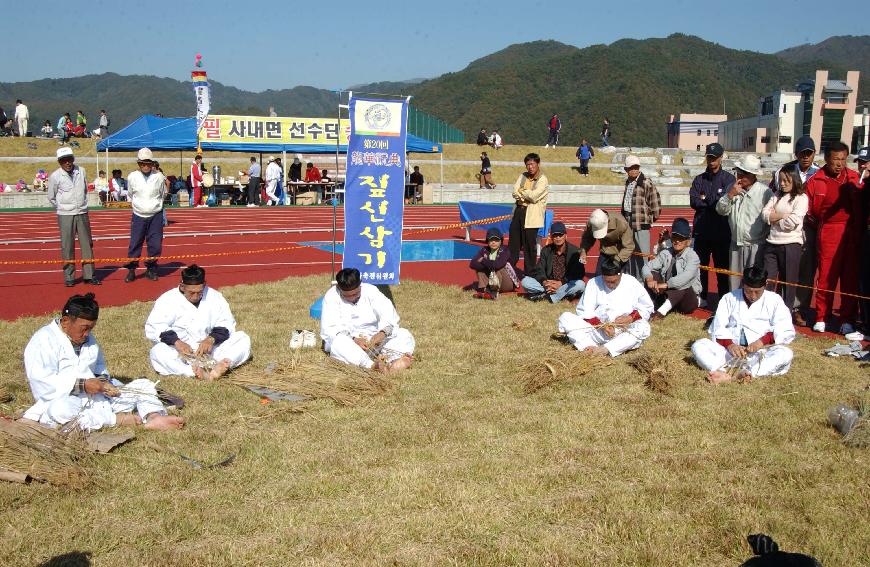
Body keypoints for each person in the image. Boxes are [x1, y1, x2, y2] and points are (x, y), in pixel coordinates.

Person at [22, 293, 184, 432]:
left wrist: (103, 383)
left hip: (98, 398)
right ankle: (115, 419)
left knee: (145, 385)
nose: (87, 334)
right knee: (60, 411)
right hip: (64, 400)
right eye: (84, 328)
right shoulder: (43, 340)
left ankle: (153, 417)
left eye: (91, 329)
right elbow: (41, 382)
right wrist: (83, 385)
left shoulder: (89, 339)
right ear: (65, 321)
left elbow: (99, 368)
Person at [145, 265, 252, 380]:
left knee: (242, 338)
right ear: (182, 286)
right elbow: (155, 327)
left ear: (204, 284)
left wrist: (211, 339)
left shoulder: (215, 296)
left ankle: (222, 365)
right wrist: (177, 342)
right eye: (191, 293)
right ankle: (193, 372)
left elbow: (226, 323)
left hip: (211, 350)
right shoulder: (167, 299)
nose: (195, 296)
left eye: (199, 292)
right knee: (157, 351)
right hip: (182, 353)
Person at [691, 266, 795, 384]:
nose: (753, 296)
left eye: (758, 291)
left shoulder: (774, 300)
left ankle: (750, 373)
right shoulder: (729, 298)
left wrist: (761, 342)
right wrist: (730, 345)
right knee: (698, 345)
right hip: (729, 354)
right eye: (749, 291)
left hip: (759, 355)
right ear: (743, 283)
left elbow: (784, 328)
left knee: (785, 353)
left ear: (765, 284)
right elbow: (718, 327)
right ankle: (721, 371)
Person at [805, 140, 863, 335]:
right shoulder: (816, 180)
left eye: (844, 159)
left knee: (850, 277)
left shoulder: (854, 178)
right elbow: (811, 211)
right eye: (836, 159)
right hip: (828, 230)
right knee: (826, 276)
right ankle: (822, 316)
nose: (840, 163)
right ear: (827, 159)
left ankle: (847, 318)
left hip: (851, 231)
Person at [320, 268, 415, 371]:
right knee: (339, 343)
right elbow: (329, 330)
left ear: (360, 285)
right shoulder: (331, 296)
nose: (352, 298)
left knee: (404, 334)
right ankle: (372, 366)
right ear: (339, 287)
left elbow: (389, 314)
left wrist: (382, 333)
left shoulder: (370, 290)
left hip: (374, 340)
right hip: (350, 343)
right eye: (347, 296)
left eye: (356, 294)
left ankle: (393, 362)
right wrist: (354, 340)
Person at [556, 256, 653, 357]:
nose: (610, 285)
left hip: (624, 330)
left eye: (614, 281)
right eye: (607, 281)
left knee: (643, 327)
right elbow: (585, 311)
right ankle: (589, 346)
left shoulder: (631, 282)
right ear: (602, 276)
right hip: (598, 329)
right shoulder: (593, 283)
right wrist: (602, 325)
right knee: (565, 317)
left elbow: (646, 306)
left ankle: (606, 349)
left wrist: (630, 318)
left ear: (620, 275)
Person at [770, 136, 820, 324]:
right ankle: (778, 307)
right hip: (783, 229)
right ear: (796, 154)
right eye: (802, 153)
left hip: (808, 226)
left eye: (809, 153)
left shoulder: (820, 173)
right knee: (782, 269)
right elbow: (773, 195)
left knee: (805, 270)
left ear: (814, 153)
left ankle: (798, 308)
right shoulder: (783, 171)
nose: (806, 156)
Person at [716, 155, 772, 290]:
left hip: (756, 246)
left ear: (753, 175)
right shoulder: (732, 187)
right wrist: (730, 195)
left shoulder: (765, 192)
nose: (740, 176)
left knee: (754, 283)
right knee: (734, 282)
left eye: (744, 173)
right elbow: (720, 210)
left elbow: (769, 220)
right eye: (738, 171)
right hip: (736, 244)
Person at [760, 167, 808, 321]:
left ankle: (785, 317)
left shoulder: (801, 198)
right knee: (768, 281)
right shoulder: (776, 195)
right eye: (780, 180)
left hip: (791, 245)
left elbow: (793, 223)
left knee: (789, 283)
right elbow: (764, 215)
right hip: (772, 243)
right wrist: (782, 215)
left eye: (787, 180)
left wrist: (774, 220)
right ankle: (766, 313)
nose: (782, 183)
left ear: (795, 179)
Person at [47, 147, 100, 287]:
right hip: (65, 214)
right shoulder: (55, 176)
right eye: (64, 161)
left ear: (73, 159)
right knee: (67, 246)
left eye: (69, 159)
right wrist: (63, 206)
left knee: (87, 244)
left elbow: (84, 189)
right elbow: (51, 197)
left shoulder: (81, 171)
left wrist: (82, 203)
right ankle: (69, 276)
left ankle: (89, 275)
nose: (68, 163)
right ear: (60, 162)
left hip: (82, 212)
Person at [690, 142, 734, 307]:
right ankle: (703, 296)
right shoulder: (699, 179)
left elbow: (724, 204)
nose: (712, 161)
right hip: (701, 231)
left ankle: (724, 297)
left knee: (722, 268)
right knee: (701, 267)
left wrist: (706, 200)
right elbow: (694, 201)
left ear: (721, 157)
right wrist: (711, 201)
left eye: (715, 158)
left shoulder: (729, 179)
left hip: (722, 232)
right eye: (709, 157)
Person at [642, 218, 701, 321]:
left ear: (688, 241)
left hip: (686, 301)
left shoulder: (693, 256)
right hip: (667, 294)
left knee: (683, 284)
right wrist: (649, 278)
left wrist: (666, 285)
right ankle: (649, 305)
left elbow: (686, 277)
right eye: (675, 237)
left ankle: (661, 312)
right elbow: (647, 267)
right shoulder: (666, 253)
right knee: (652, 273)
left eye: (681, 238)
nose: (677, 241)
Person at [124, 148, 166, 283]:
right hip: (138, 214)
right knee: (135, 243)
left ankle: (151, 269)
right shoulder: (132, 177)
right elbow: (130, 194)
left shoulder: (159, 176)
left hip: (155, 215)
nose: (146, 166)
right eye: (143, 163)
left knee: (155, 244)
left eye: (148, 163)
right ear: (138, 164)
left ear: (152, 163)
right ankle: (132, 270)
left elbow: (163, 193)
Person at [522, 221, 585, 303]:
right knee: (525, 281)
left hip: (565, 284)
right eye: (555, 235)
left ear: (566, 236)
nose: (558, 237)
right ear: (551, 237)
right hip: (548, 283)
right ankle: (560, 296)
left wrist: (561, 283)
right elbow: (539, 269)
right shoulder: (546, 250)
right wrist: (544, 281)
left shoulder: (575, 252)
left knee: (580, 285)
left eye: (560, 235)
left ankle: (547, 297)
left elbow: (579, 273)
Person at [621, 155, 661, 280]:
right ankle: (633, 278)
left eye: (636, 167)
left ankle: (645, 281)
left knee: (643, 255)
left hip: (641, 223)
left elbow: (655, 201)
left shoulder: (646, 182)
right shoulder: (628, 182)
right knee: (630, 252)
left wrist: (652, 217)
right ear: (626, 169)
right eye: (631, 168)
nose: (634, 170)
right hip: (628, 222)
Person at [509, 153, 549, 274]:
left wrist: (523, 192)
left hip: (532, 215)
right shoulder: (522, 176)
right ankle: (509, 270)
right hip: (519, 212)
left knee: (529, 246)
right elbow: (514, 192)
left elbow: (534, 196)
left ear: (538, 164)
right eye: (527, 164)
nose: (530, 167)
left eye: (532, 164)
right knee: (513, 243)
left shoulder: (543, 179)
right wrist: (525, 194)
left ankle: (530, 273)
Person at [580, 208, 635, 273]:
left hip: (621, 255)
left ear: (608, 221)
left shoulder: (621, 223)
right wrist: (583, 251)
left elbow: (629, 246)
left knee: (619, 280)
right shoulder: (593, 222)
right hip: (604, 253)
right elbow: (587, 238)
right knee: (599, 278)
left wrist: (616, 260)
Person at [469, 227, 518, 299]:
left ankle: (493, 292)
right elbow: (472, 264)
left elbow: (497, 265)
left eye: (496, 240)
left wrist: (483, 260)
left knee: (498, 268)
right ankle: (484, 290)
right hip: (493, 280)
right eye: (491, 240)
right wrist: (489, 265)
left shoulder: (505, 250)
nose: (493, 242)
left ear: (501, 241)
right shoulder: (484, 250)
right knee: (480, 269)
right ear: (487, 241)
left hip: (507, 284)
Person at [856, 147, 870, 335]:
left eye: (866, 161)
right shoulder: (863, 186)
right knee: (863, 280)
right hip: (864, 235)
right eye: (860, 161)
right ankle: (866, 322)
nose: (863, 165)